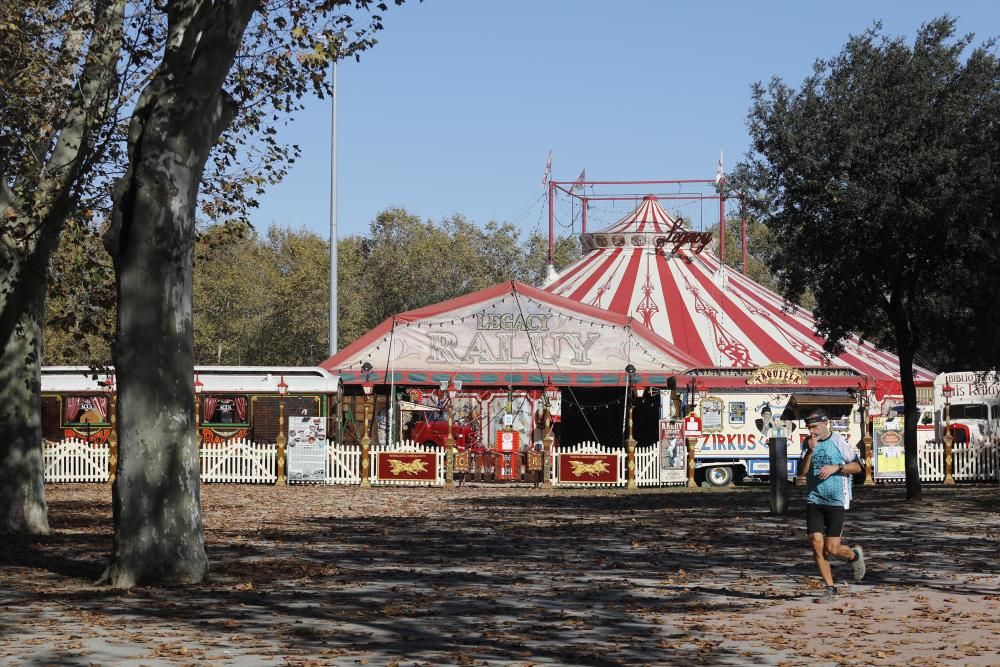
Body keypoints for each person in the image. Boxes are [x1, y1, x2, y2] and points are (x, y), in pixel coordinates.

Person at [800, 410, 867, 603]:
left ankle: (854, 556)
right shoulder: (808, 443)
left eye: (815, 427)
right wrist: (810, 452)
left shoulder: (838, 441)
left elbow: (857, 467)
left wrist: (837, 467)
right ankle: (830, 588)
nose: (812, 431)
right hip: (814, 499)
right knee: (816, 544)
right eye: (809, 428)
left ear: (825, 423)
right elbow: (802, 472)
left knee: (832, 549)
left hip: (836, 500)